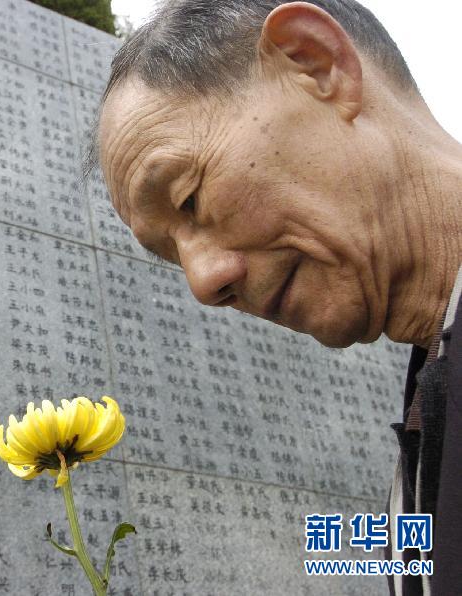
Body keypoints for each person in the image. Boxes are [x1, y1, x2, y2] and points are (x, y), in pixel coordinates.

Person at [86, 0, 461, 593]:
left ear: (314, 63)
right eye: (172, 254)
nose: (204, 284)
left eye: (188, 198)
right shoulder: (428, 414)